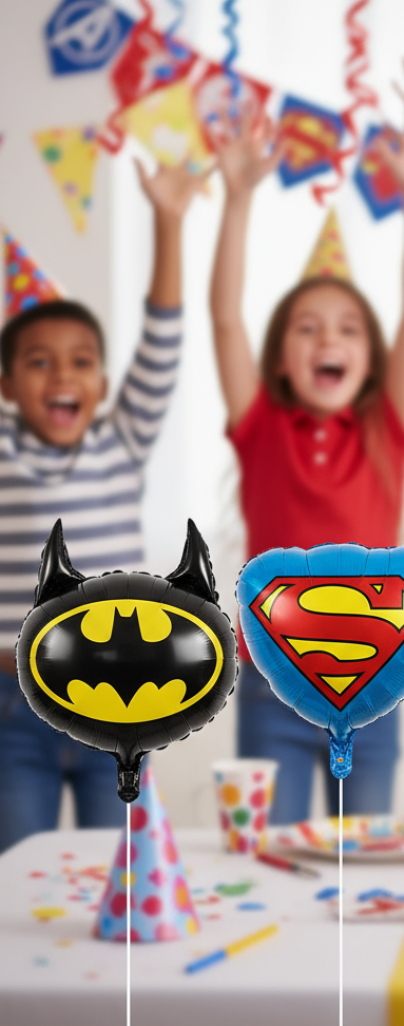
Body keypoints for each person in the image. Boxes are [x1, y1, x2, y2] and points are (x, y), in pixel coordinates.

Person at [207, 59, 404, 823]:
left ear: (370, 358)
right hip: (275, 681)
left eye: (344, 329)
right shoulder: (260, 427)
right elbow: (225, 321)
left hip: (375, 688)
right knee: (276, 858)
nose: (326, 340)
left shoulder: (384, 429)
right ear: (281, 356)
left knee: (360, 850)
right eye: (306, 329)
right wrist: (238, 197)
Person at [0, 160, 206, 853]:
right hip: (11, 708)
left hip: (114, 699)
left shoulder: (122, 438)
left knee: (121, 868)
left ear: (102, 381)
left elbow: (163, 343)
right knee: (14, 887)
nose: (63, 374)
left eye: (82, 360)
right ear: (6, 382)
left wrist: (169, 221)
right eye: (39, 361)